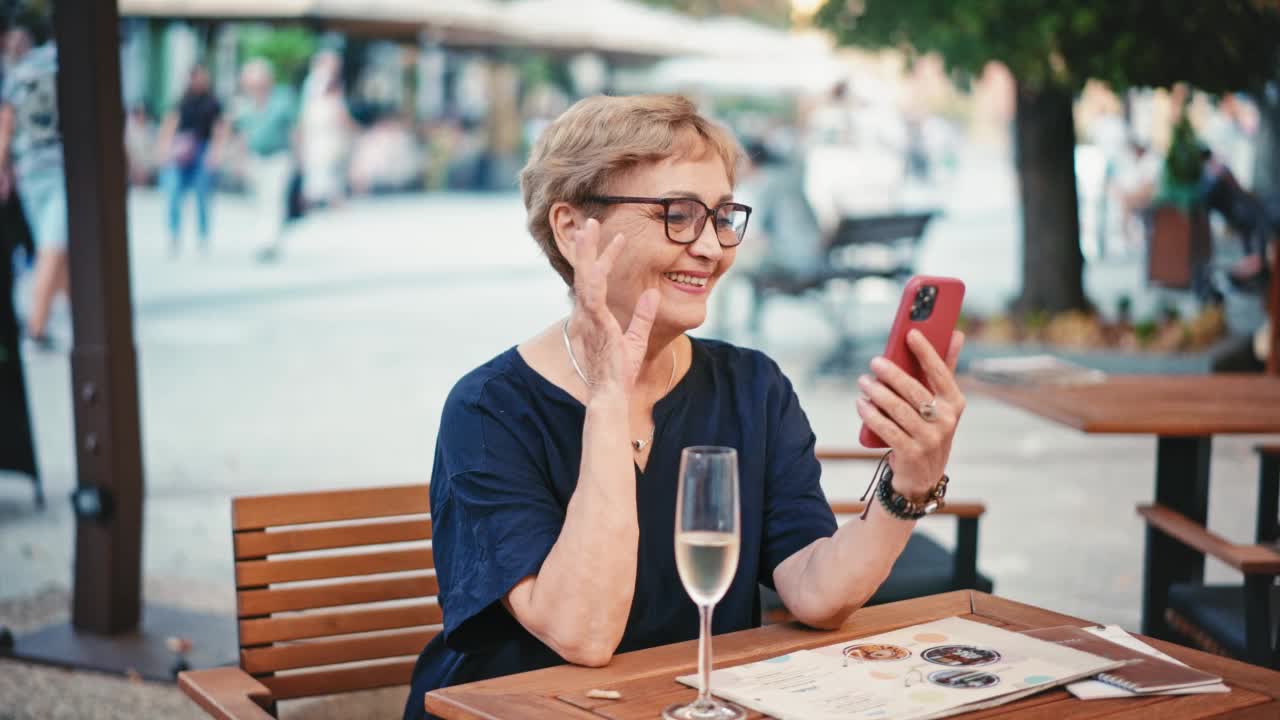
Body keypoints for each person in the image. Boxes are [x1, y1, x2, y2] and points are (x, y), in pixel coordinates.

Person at [403, 95, 967, 720]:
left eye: (723, 216)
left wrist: (908, 485)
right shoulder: (488, 411)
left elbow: (815, 593)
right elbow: (584, 634)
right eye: (678, 215)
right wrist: (609, 395)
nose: (712, 247)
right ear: (571, 228)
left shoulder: (752, 385)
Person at [0, 17, 65, 350]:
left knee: (55, 248)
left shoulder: (19, 73)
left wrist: (3, 166)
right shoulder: (69, 66)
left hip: (29, 170)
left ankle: (59, 313)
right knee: (51, 250)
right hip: (60, 168)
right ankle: (36, 327)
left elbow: (6, 125)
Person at [157, 66, 226, 255]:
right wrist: (165, 150)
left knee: (203, 195)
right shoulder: (181, 100)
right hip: (180, 149)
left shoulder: (213, 102)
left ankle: (203, 236)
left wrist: (215, 152)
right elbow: (170, 124)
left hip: (202, 149)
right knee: (173, 194)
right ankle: (174, 234)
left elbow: (218, 128)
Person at [234, 59, 297, 262]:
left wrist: (298, 157)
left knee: (274, 199)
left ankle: (268, 242)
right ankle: (265, 239)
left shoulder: (283, 98)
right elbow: (242, 133)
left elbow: (295, 129)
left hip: (279, 156)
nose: (254, 86)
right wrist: (240, 160)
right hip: (255, 157)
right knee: (260, 201)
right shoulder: (244, 103)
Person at [298, 50, 353, 208]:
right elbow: (334, 108)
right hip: (323, 138)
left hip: (322, 138)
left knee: (322, 180)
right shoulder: (322, 80)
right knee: (324, 180)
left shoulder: (312, 83)